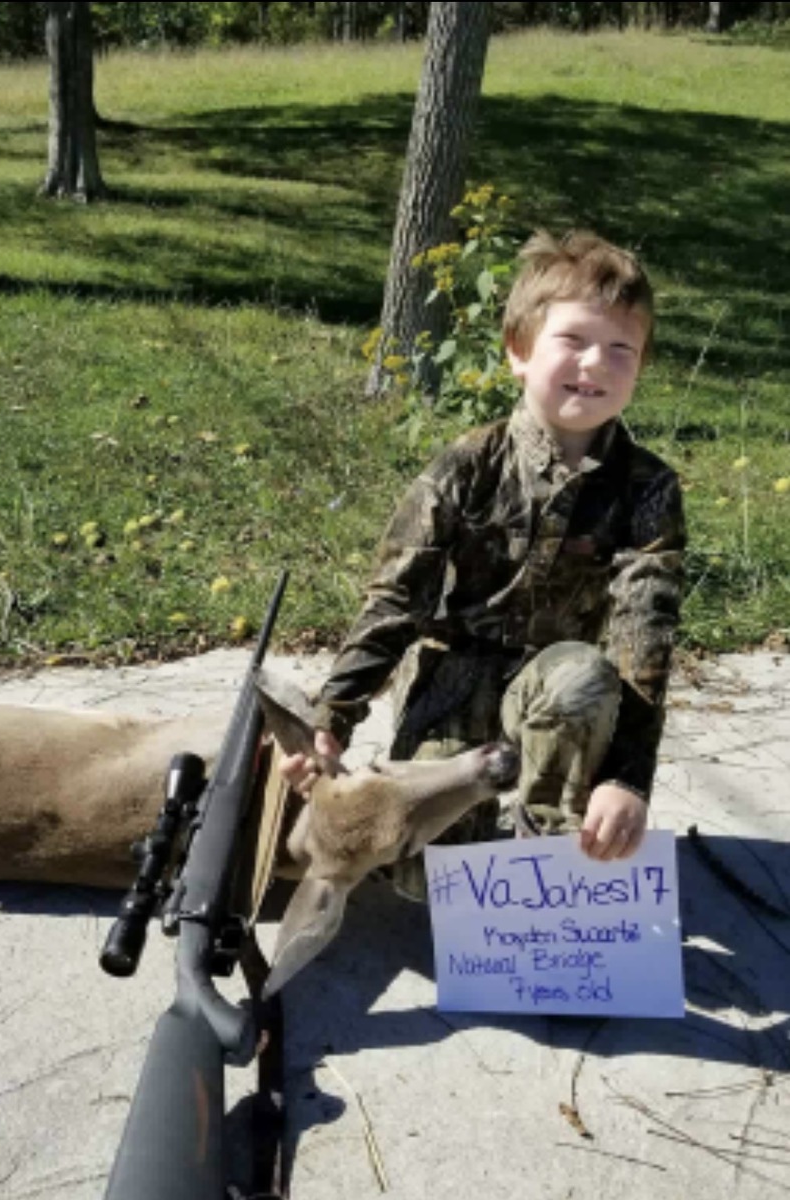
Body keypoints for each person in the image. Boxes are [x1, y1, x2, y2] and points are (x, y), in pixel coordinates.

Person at [285, 229, 685, 897]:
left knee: (583, 676)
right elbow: (393, 601)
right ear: (517, 354)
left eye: (621, 350)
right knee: (420, 877)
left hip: (561, 694)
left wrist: (624, 780)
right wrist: (331, 721)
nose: (595, 364)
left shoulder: (648, 486)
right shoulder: (464, 466)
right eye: (573, 341)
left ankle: (552, 867)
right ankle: (469, 797)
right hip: (453, 677)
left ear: (639, 369)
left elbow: (643, 638)